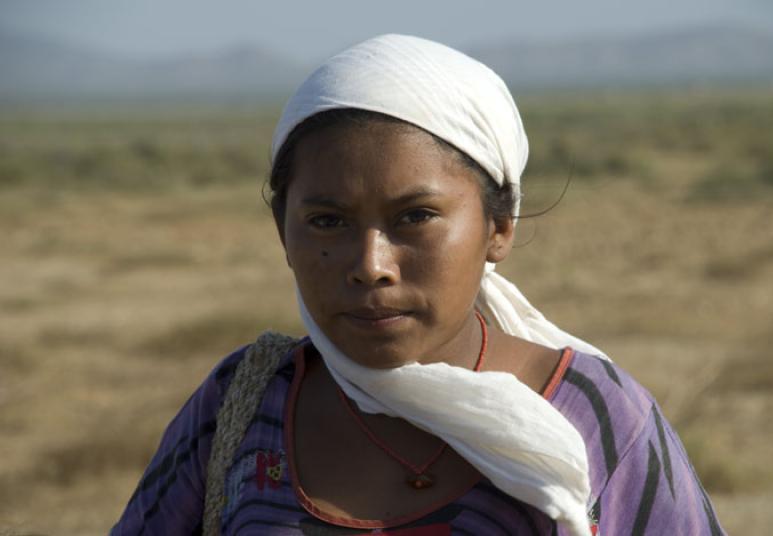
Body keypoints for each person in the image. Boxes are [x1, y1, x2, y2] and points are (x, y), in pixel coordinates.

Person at [112, 34, 725, 536]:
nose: (370, 264)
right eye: (328, 222)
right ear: (283, 232)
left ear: (499, 227)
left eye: (415, 218)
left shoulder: (595, 417)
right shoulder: (241, 406)